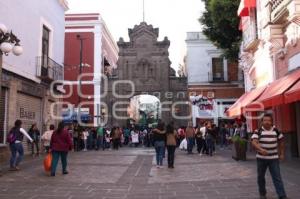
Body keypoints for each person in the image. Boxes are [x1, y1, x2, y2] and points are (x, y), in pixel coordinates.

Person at [251, 114, 288, 199]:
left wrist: (282, 153)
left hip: (273, 158)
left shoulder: (276, 130)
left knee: (277, 177)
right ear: (262, 122)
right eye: (265, 120)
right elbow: (254, 142)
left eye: (269, 120)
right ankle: (262, 194)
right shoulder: (258, 131)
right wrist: (261, 149)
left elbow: (281, 142)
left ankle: (282, 195)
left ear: (271, 122)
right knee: (261, 177)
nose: (267, 122)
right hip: (261, 159)